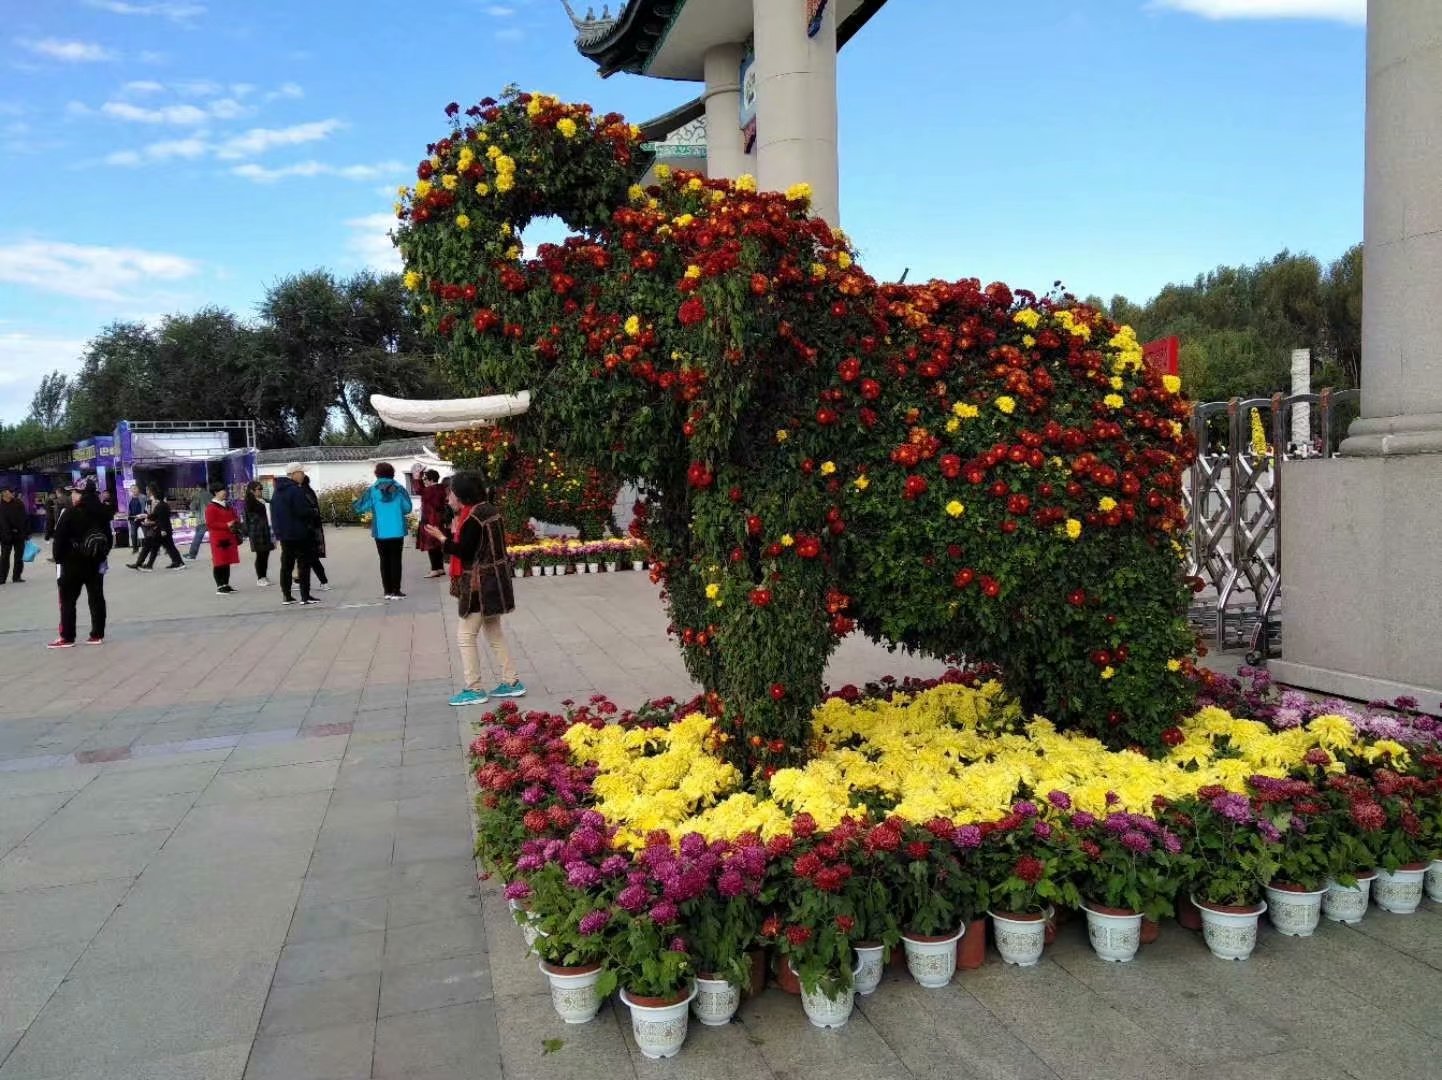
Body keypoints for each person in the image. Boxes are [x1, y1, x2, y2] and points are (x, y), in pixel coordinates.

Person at [425, 471, 525, 706]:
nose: (448, 498)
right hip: (496, 582)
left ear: (461, 494)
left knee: (465, 636)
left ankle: (474, 688)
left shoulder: (473, 518)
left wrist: (442, 539)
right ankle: (511, 682)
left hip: (479, 584)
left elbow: (465, 551)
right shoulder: (490, 510)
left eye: (451, 493)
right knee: (494, 632)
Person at [49, 480, 114, 648]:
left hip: (72, 563)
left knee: (68, 600)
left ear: (82, 494)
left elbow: (59, 538)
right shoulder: (102, 512)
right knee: (96, 598)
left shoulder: (70, 512)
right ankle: (97, 634)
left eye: (74, 492)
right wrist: (101, 555)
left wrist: (59, 559)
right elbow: (109, 537)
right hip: (95, 562)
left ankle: (67, 637)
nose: (72, 495)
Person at [354, 462, 413, 600]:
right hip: (397, 530)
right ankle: (396, 591)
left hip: (380, 531)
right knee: (396, 559)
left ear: (377, 474)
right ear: (392, 473)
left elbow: (361, 507)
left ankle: (387, 591)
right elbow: (407, 508)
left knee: (384, 560)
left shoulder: (372, 490)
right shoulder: (399, 489)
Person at [270, 464, 320, 606]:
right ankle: (305, 596)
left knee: (286, 565)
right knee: (303, 564)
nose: (303, 475)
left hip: (284, 535)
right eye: (301, 472)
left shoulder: (277, 491)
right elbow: (302, 512)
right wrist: (313, 512)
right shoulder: (295, 491)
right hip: (299, 533)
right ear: (293, 474)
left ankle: (287, 596)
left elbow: (274, 514)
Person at [128, 486, 185, 571]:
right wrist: (144, 516)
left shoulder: (160, 506)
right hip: (162, 530)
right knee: (167, 547)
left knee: (154, 546)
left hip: (161, 530)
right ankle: (178, 562)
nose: (151, 497)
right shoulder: (162, 505)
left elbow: (160, 519)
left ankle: (147, 565)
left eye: (152, 495)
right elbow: (154, 516)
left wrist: (161, 529)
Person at [204, 484, 243, 594]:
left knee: (227, 561)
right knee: (219, 562)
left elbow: (235, 517)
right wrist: (226, 525)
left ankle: (226, 584)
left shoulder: (227, 505)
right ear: (215, 492)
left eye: (224, 490)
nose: (224, 492)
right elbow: (210, 524)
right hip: (218, 538)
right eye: (222, 490)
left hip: (229, 537)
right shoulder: (211, 507)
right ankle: (220, 585)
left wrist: (236, 521)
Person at [300, 473, 330, 591]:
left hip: (309, 530)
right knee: (309, 557)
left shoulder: (303, 493)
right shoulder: (309, 491)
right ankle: (300, 580)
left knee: (310, 557)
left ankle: (323, 581)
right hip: (314, 528)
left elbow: (310, 511)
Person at [416, 468, 448, 578]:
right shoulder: (442, 488)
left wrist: (418, 477)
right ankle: (440, 568)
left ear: (431, 479)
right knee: (438, 545)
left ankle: (434, 569)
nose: (424, 481)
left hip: (429, 519)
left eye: (425, 479)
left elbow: (418, 490)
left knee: (431, 546)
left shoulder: (429, 490)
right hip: (439, 519)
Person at [242, 481, 274, 587]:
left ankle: (264, 576)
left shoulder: (264, 500)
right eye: (258, 489)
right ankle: (260, 577)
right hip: (257, 532)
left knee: (266, 554)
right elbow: (250, 519)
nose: (260, 491)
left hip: (267, 530)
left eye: (261, 488)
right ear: (252, 491)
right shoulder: (249, 503)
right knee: (260, 554)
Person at [0, 487, 31, 584]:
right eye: (10, 491)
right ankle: (2, 578)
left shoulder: (18, 503)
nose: (13, 493)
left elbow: (25, 518)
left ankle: (16, 576)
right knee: (4, 557)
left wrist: (27, 533)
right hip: (5, 536)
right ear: (4, 493)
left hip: (19, 534)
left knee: (19, 557)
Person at [186, 486, 209, 560]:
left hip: (202, 520)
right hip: (210, 519)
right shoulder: (209, 494)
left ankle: (192, 554)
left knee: (197, 537)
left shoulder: (197, 495)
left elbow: (193, 507)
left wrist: (191, 500)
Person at [126, 484, 147, 551]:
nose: (133, 490)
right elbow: (129, 508)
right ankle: (135, 548)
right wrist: (128, 515)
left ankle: (149, 547)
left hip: (142, 518)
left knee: (146, 534)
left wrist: (146, 516)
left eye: (135, 488)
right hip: (133, 518)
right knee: (133, 534)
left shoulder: (143, 497)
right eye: (132, 489)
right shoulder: (129, 498)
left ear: (138, 489)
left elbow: (147, 507)